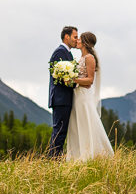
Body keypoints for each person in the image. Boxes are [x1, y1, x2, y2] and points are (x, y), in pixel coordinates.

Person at [65, 31, 114, 162]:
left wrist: (73, 79)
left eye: (80, 39)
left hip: (84, 97)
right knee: (76, 125)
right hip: (77, 96)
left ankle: (91, 154)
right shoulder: (81, 58)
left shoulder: (89, 58)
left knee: (86, 123)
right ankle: (77, 155)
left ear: (85, 42)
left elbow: (90, 81)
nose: (77, 41)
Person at [47, 26, 78, 157]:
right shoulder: (59, 52)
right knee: (59, 131)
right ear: (67, 37)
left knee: (62, 131)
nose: (77, 40)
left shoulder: (68, 53)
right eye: (75, 37)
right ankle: (53, 159)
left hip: (65, 98)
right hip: (61, 98)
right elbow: (56, 76)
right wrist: (73, 82)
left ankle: (55, 158)